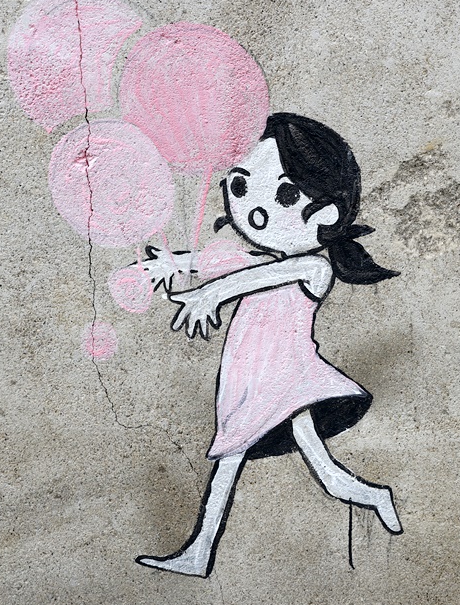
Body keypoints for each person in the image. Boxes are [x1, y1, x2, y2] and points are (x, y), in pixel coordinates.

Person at [135, 113, 402, 577]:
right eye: (241, 186)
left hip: (283, 378)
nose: (254, 210)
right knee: (323, 472)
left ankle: (198, 555)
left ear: (326, 214)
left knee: (230, 460)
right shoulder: (255, 257)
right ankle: (373, 496)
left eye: (285, 195)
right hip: (251, 378)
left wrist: (210, 294)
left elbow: (251, 278)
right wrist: (170, 264)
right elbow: (210, 261)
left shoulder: (314, 268)